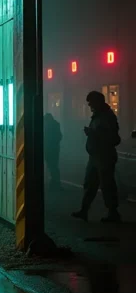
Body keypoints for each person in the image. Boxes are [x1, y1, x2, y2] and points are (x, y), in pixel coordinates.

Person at [72, 90, 122, 223]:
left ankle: (113, 212)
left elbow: (114, 138)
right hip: (95, 156)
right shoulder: (98, 116)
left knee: (107, 185)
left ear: (98, 102)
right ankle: (84, 210)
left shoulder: (107, 117)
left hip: (104, 156)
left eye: (91, 103)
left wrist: (93, 134)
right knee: (90, 183)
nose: (89, 106)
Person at [44, 113, 62, 190]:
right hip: (54, 148)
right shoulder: (56, 124)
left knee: (52, 166)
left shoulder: (45, 125)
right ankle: (55, 183)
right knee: (53, 166)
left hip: (47, 148)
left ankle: (55, 183)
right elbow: (59, 136)